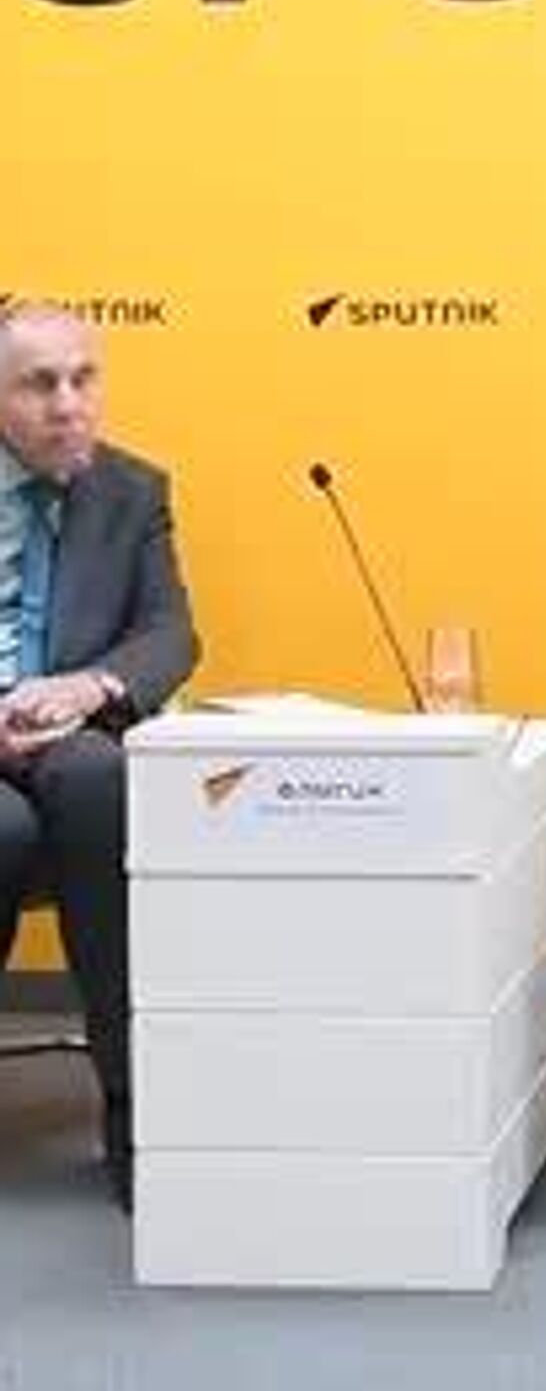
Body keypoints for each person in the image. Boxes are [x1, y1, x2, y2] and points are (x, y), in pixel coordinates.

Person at [0, 301, 200, 1210]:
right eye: (39, 384)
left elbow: (169, 634)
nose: (68, 404)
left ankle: (135, 1108)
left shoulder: (133, 490)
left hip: (67, 735)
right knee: (5, 832)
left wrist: (89, 687)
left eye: (83, 379)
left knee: (97, 780)